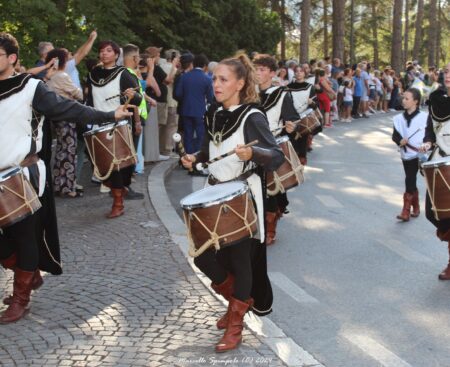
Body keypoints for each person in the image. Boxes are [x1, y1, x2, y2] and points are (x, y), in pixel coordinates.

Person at [0, 32, 132, 323]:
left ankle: (21, 297)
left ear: (11, 59)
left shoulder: (32, 88)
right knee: (8, 241)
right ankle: (30, 273)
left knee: (24, 237)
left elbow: (70, 109)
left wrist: (109, 115)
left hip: (24, 174)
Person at [180, 53, 284, 352]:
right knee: (203, 256)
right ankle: (239, 301)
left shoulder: (253, 116)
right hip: (212, 192)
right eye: (215, 78)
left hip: (240, 196)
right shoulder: (213, 112)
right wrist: (193, 158)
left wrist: (254, 154)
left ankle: (236, 322)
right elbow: (206, 149)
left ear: (240, 83)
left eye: (223, 79)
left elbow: (275, 155)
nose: (216, 84)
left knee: (239, 259)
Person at [86, 40, 144, 217]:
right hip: (97, 123)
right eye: (102, 51)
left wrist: (133, 96)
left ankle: (118, 203)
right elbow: (89, 99)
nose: (104, 54)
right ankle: (120, 190)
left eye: (109, 51)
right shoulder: (93, 73)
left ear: (116, 55)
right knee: (99, 166)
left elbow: (138, 99)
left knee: (117, 168)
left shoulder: (123, 74)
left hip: (117, 124)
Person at [253, 54, 300, 245]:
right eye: (255, 69)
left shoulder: (281, 94)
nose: (257, 73)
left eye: (262, 69)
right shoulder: (249, 93)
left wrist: (292, 126)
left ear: (272, 73)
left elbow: (293, 119)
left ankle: (270, 227)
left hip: (272, 147)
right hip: (251, 146)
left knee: (270, 190)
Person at [420, 62, 450, 279]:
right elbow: (430, 129)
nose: (448, 76)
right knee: (433, 213)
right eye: (447, 72)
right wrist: (428, 142)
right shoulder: (436, 99)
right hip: (439, 160)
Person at [45, 48, 83, 198]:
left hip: (56, 117)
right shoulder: (62, 76)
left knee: (61, 151)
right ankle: (68, 188)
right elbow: (78, 94)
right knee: (69, 151)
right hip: (67, 117)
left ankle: (59, 184)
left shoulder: (51, 77)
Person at [392, 88, 427, 222]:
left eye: (407, 99)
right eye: (403, 98)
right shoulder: (398, 118)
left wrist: (427, 144)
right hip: (405, 153)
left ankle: (406, 211)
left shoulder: (424, 117)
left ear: (416, 101)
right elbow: (394, 135)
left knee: (410, 178)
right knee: (410, 177)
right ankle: (416, 206)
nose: (403, 101)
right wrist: (399, 140)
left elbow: (430, 134)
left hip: (419, 154)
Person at [174, 53, 214, 155]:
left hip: (186, 110)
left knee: (188, 135)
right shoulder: (207, 79)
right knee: (201, 135)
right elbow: (210, 98)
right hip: (200, 111)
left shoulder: (184, 77)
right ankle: (198, 156)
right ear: (205, 66)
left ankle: (188, 156)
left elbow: (178, 94)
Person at [287, 64, 317, 165]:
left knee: (303, 144)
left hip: (304, 120)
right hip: (291, 119)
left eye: (301, 71)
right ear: (294, 73)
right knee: (291, 144)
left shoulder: (310, 87)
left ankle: (301, 166)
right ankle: (293, 167)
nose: (299, 73)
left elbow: (315, 106)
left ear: (304, 73)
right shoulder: (288, 87)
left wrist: (311, 102)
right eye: (297, 71)